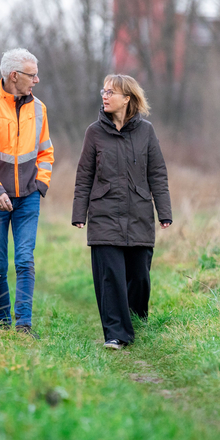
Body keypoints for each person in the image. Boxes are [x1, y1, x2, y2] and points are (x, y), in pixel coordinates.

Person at [71, 74, 172, 350]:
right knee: (110, 277)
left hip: (139, 213)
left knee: (139, 277)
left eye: (110, 92)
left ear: (127, 98)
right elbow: (84, 175)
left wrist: (164, 211)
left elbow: (157, 173)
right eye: (103, 91)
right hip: (104, 214)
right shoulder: (94, 132)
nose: (104, 96)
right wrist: (80, 213)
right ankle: (115, 333)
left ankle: (136, 323)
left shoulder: (146, 131)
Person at [0, 48, 54, 335]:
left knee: (25, 260)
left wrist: (40, 185)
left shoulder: (39, 109)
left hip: (28, 198)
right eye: (32, 75)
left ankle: (23, 325)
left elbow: (46, 152)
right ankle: (3, 324)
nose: (37, 80)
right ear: (14, 76)